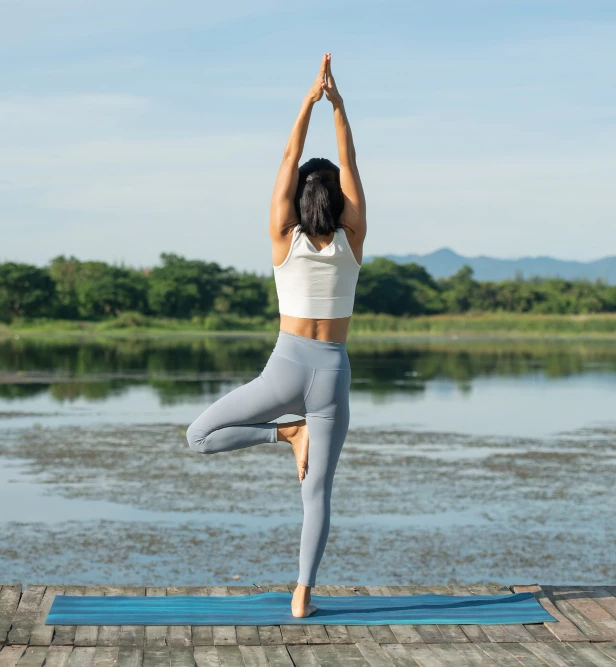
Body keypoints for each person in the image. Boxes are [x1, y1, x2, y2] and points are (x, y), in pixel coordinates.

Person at [186, 52, 366, 618]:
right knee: (318, 493)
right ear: (338, 201)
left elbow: (291, 156)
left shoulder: (280, 236)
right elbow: (351, 159)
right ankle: (303, 594)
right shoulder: (353, 239)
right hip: (333, 371)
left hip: (285, 368)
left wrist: (308, 103)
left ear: (297, 198)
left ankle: (283, 435)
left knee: (199, 437)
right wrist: (338, 107)